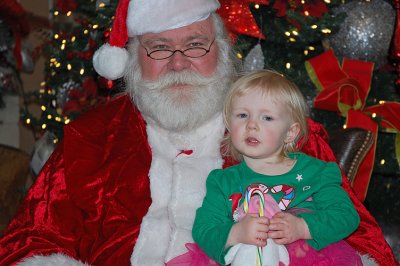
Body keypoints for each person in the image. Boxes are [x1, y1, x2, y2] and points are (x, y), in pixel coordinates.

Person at [0, 0, 396, 265]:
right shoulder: (90, 137)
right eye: (158, 48)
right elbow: (33, 240)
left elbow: (362, 241)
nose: (177, 63)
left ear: (221, 50)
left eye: (194, 45)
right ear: (133, 58)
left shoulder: (279, 130)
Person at [192, 70, 362, 265]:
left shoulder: (315, 173)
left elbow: (346, 216)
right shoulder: (222, 181)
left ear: (290, 133)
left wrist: (303, 227)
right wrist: (235, 233)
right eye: (242, 115)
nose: (251, 125)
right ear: (229, 124)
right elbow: (203, 228)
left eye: (267, 118)